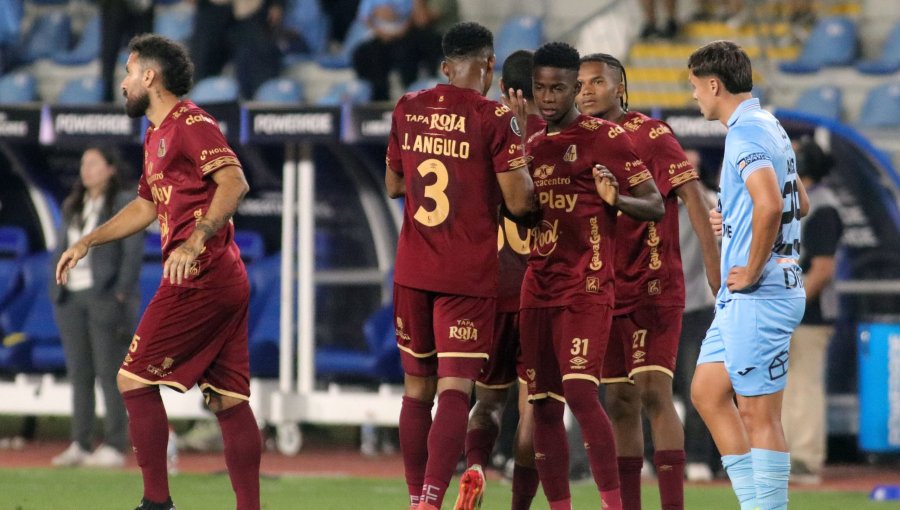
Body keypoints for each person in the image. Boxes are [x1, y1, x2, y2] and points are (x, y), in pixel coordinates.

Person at [56, 34, 259, 510]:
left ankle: (156, 504)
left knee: (132, 380)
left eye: (128, 72)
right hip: (224, 276)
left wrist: (195, 238)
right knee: (228, 400)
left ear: (150, 76)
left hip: (202, 274)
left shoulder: (191, 123)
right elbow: (147, 206)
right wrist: (87, 240)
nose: (123, 83)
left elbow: (235, 181)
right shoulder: (155, 133)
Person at [384, 21, 535, 510]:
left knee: (415, 391)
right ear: (489, 66)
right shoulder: (496, 118)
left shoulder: (408, 108)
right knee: (455, 389)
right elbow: (518, 202)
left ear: (446, 67)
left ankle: (412, 499)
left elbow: (393, 185)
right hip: (466, 275)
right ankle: (432, 500)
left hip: (412, 269)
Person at [516, 41, 664, 510]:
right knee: (541, 404)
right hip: (537, 289)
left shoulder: (606, 138)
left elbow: (656, 204)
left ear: (574, 88)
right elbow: (520, 215)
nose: (549, 98)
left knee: (580, 391)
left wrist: (616, 200)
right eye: (541, 88)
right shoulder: (533, 147)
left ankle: (614, 505)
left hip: (588, 286)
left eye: (559, 88)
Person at [575, 53, 720, 510]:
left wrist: (715, 273)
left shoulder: (652, 135)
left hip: (654, 284)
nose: (586, 91)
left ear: (620, 88)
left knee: (655, 393)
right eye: (580, 84)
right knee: (618, 400)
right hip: (603, 288)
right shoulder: (576, 141)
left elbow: (693, 199)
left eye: (597, 82)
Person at [687, 40, 807, 510]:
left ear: (714, 85)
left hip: (760, 294)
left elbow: (772, 204)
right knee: (707, 392)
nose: (695, 96)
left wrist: (752, 269)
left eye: (696, 87)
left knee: (758, 414)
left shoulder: (746, 134)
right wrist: (731, 217)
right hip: (750, 297)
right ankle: (754, 504)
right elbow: (799, 201)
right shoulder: (769, 125)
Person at [453, 48, 542, 510]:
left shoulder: (477, 134)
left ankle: (474, 466)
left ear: (505, 88)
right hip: (540, 294)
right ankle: (520, 506)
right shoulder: (552, 138)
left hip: (491, 291)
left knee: (485, 403)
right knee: (534, 409)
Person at [50, 146, 144, 469]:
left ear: (111, 169)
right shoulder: (72, 205)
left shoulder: (123, 202)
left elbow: (132, 252)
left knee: (109, 372)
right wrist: (56, 288)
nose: (85, 169)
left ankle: (116, 443)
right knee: (79, 373)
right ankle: (80, 442)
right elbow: (61, 245)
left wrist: (120, 293)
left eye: (92, 163)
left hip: (104, 297)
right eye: (82, 163)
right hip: (71, 298)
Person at [781, 137, 843, 484]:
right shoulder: (799, 200)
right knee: (788, 386)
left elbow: (821, 270)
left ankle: (805, 459)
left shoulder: (823, 206)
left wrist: (789, 308)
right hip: (794, 308)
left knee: (803, 385)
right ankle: (788, 456)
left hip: (810, 312)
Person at [674, 149, 720, 482]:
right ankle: (648, 455)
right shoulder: (652, 201)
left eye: (692, 166)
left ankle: (699, 457)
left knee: (698, 388)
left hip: (698, 307)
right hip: (659, 307)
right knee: (651, 387)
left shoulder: (709, 201)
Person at [189, 0, 284, 99]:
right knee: (202, 61)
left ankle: (260, 106)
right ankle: (198, 103)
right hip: (212, 10)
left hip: (251, 12)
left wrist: (277, 4)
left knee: (259, 62)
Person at [352, 0, 414, 101]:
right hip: (377, 34)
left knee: (408, 51)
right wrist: (380, 32)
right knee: (365, 52)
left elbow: (413, 18)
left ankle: (408, 90)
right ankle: (378, 96)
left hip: (403, 35)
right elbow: (364, 18)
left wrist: (398, 30)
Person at [98, 0, 153, 102]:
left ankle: (143, 99)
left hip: (141, 7)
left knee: (144, 53)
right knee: (109, 53)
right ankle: (106, 100)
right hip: (113, 5)